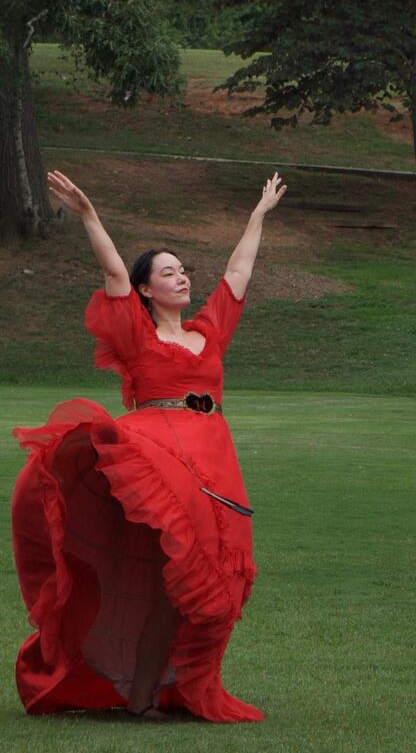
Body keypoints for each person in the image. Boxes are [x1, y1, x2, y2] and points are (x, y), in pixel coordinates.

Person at [11, 168, 287, 721]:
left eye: (184, 271)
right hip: (159, 458)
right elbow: (113, 271)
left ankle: (156, 694)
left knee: (196, 580)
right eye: (168, 272)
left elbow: (238, 272)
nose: (183, 278)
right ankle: (139, 693)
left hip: (212, 459)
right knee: (173, 570)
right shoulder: (137, 332)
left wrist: (258, 214)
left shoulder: (208, 332)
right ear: (146, 289)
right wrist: (90, 215)